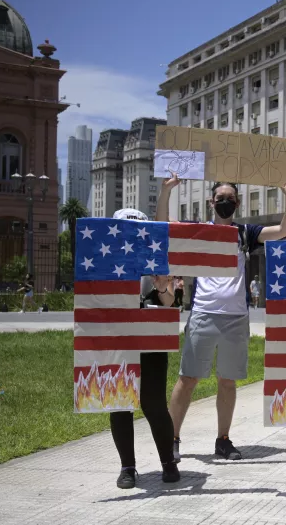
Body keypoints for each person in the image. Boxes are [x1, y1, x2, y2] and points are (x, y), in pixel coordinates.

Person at [157, 174, 286, 462]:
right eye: (220, 199)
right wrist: (166, 191)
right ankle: (170, 439)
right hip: (204, 314)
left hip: (236, 318)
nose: (224, 203)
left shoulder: (245, 233)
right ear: (211, 202)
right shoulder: (199, 232)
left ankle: (223, 439)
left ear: (238, 203)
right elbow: (164, 228)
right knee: (188, 379)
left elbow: (283, 230)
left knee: (228, 381)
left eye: (230, 199)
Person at [108, 208, 179, 489]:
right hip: (116, 340)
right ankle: (128, 467)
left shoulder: (157, 261)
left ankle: (168, 462)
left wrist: (162, 287)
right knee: (119, 403)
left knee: (154, 404)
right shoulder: (104, 260)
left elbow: (170, 304)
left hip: (150, 341)